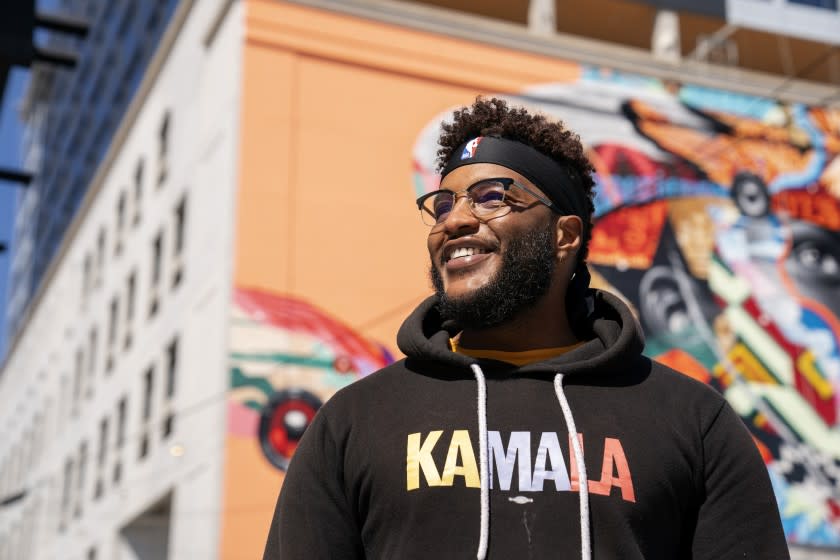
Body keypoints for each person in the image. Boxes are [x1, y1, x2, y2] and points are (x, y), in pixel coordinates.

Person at [262, 97, 789, 559]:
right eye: (443, 204)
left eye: (491, 197)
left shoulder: (693, 422)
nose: (454, 221)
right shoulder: (353, 422)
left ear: (564, 236)